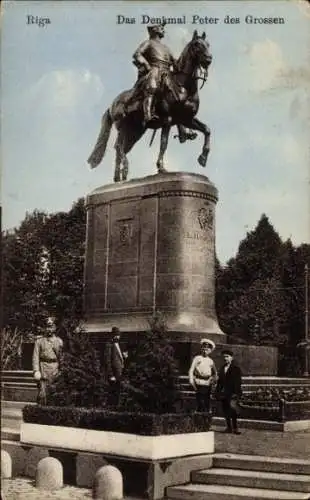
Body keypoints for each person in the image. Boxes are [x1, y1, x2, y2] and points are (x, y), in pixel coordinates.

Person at [131, 22, 180, 126]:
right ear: (154, 30)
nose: (163, 30)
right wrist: (146, 65)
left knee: (177, 92)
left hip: (166, 73)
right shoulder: (148, 43)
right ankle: (148, 115)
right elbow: (137, 54)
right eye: (161, 27)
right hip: (154, 69)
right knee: (152, 86)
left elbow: (173, 61)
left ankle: (182, 125)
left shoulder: (166, 48)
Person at [32, 317, 63, 405]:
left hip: (55, 369)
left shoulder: (59, 341)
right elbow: (35, 356)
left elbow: (61, 357)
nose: (49, 329)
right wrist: (36, 370)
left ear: (55, 328)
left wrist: (61, 370)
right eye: (47, 327)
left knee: (55, 394)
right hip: (43, 368)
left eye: (51, 326)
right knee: (42, 394)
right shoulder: (39, 341)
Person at [216, 349, 242, 434]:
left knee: (233, 410)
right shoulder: (222, 368)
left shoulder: (236, 368)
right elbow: (220, 382)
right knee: (226, 410)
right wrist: (217, 392)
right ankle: (229, 427)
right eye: (224, 357)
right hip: (224, 393)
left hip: (233, 393)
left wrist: (236, 393)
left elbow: (238, 382)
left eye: (227, 357)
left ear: (232, 358)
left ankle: (235, 428)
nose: (225, 358)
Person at [188, 338, 217, 413]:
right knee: (200, 401)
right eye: (203, 349)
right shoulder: (197, 358)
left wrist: (213, 380)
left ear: (210, 351)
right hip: (199, 382)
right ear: (201, 349)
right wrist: (191, 380)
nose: (205, 351)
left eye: (207, 350)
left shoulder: (211, 361)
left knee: (207, 402)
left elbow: (215, 372)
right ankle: (198, 418)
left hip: (207, 383)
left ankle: (207, 418)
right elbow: (191, 369)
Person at [104, 326, 128, 407]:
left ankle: (117, 405)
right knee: (113, 391)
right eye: (116, 335)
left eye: (118, 335)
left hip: (120, 371)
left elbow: (120, 357)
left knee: (118, 390)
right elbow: (107, 360)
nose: (117, 337)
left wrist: (124, 356)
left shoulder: (119, 344)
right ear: (113, 335)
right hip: (114, 373)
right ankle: (112, 406)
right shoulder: (109, 345)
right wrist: (110, 375)